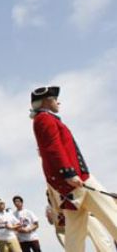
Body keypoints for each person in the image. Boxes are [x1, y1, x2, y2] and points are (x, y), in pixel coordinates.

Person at [30, 86, 117, 252]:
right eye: (55, 99)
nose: (58, 102)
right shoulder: (44, 119)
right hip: (78, 179)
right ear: (47, 101)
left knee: (75, 233)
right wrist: (68, 173)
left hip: (70, 184)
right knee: (112, 213)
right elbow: (53, 148)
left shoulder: (44, 119)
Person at [46, 188, 114, 252]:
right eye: (48, 195)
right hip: (64, 229)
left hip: (86, 218)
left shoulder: (71, 195)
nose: (49, 197)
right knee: (72, 247)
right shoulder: (50, 209)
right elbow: (51, 222)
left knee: (102, 241)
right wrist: (50, 217)